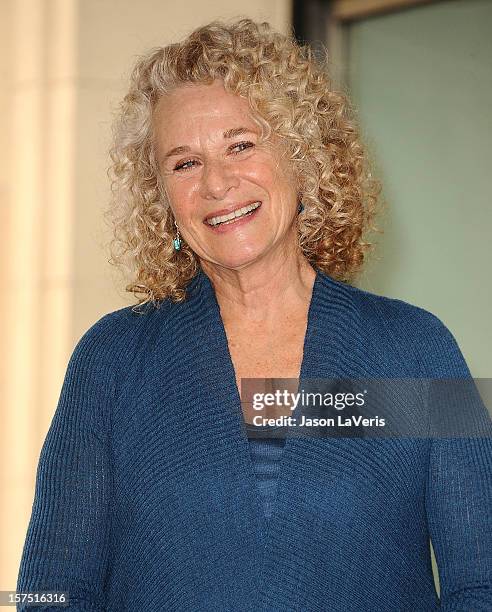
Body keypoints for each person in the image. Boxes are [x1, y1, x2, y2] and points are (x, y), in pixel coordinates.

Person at [16, 18, 492, 612]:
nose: (217, 182)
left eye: (241, 145)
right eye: (184, 163)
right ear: (159, 195)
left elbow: (481, 583)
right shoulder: (112, 360)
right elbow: (49, 591)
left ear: (302, 158)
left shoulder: (414, 351)